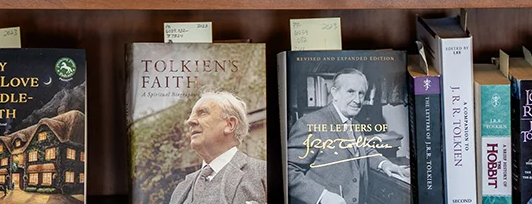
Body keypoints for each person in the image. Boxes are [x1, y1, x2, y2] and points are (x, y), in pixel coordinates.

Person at [287, 69, 409, 204]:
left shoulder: (355, 124)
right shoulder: (310, 123)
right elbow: (287, 170)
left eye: (361, 93)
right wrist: (322, 196)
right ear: (335, 93)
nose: (357, 100)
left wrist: (384, 164)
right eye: (350, 91)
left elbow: (364, 151)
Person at [168, 91, 268, 204]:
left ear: (230, 125)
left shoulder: (264, 173)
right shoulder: (182, 188)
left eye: (202, 113)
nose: (190, 121)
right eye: (190, 116)